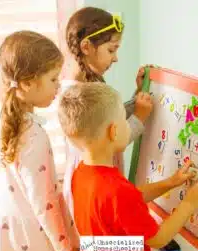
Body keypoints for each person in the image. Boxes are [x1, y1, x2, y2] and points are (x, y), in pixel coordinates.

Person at [58, 82, 198, 251]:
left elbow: (125, 201)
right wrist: (190, 202)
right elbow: (158, 239)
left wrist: (171, 182)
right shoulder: (117, 190)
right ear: (114, 131)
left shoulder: (81, 173)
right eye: (125, 121)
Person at [0, 30, 78, 251]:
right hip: (33, 235)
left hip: (7, 225)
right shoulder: (34, 137)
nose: (58, 86)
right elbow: (43, 203)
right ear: (27, 83)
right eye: (53, 79)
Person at [61, 5, 152, 226]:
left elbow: (111, 118)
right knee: (100, 236)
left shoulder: (88, 83)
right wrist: (139, 117)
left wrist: (137, 94)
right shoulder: (79, 92)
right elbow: (112, 139)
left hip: (98, 178)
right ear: (86, 47)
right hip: (95, 184)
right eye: (111, 50)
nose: (116, 58)